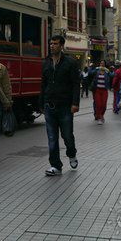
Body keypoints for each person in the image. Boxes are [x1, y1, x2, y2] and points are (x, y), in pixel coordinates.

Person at [40, 35, 80, 176]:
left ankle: (71, 154)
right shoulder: (46, 62)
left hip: (65, 106)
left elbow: (76, 84)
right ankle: (56, 166)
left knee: (67, 135)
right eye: (51, 43)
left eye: (55, 43)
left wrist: (75, 103)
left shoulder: (70, 62)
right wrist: (41, 103)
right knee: (52, 137)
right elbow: (43, 84)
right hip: (49, 105)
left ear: (61, 45)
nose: (52, 46)